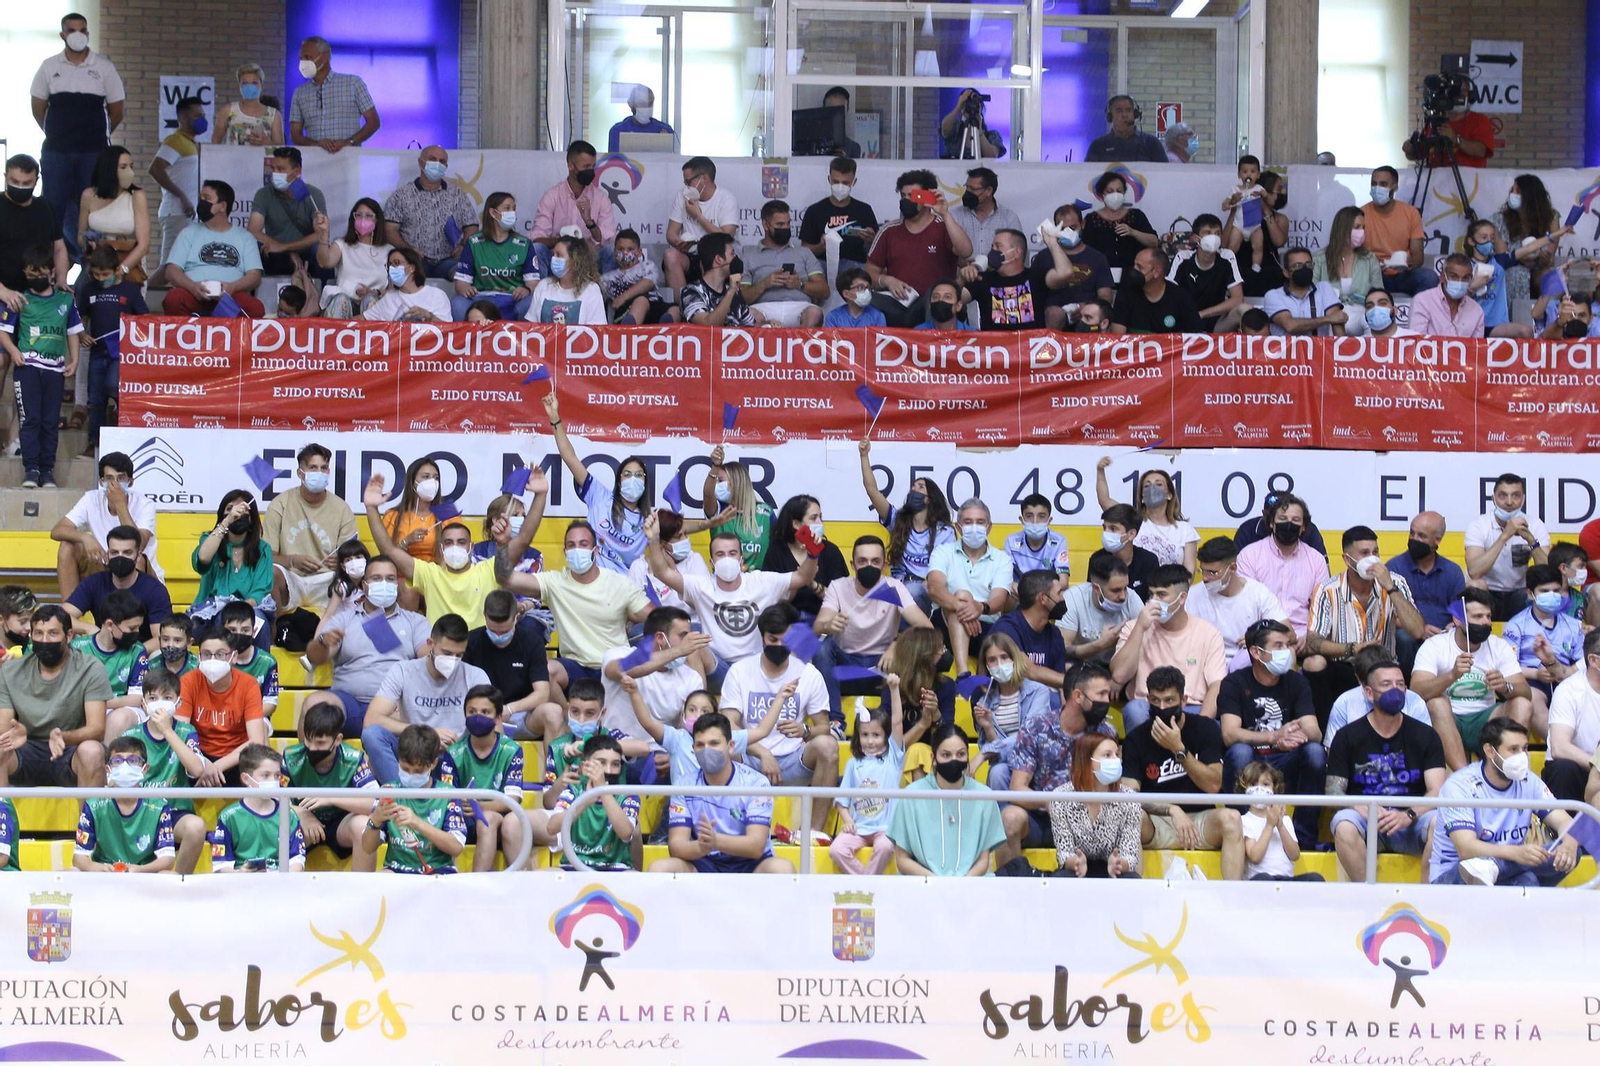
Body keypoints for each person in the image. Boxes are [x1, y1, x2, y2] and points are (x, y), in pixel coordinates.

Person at [1325, 655, 1447, 882]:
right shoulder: (1347, 736)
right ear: (1369, 693)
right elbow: (1333, 791)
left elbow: (1437, 791)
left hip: (1412, 820)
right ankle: (1369, 895)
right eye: (1386, 684)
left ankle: (1428, 896)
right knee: (1344, 824)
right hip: (1366, 820)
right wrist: (1359, 806)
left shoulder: (1426, 735)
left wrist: (1408, 815)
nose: (1395, 690)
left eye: (1400, 684)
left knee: (1440, 822)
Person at [720, 604, 838, 838]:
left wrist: (805, 730)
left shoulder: (809, 674)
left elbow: (824, 727)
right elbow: (728, 726)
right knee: (720, 746)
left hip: (794, 762)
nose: (778, 645)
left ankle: (813, 833)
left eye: (785, 640)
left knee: (828, 746)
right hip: (749, 761)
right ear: (762, 637)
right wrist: (762, 753)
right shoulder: (739, 671)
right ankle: (726, 829)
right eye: (772, 639)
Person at [1120, 668, 1244, 880]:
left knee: (1231, 818)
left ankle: (1233, 895)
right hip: (1158, 821)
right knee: (1131, 817)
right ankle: (1135, 891)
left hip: (1201, 820)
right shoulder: (1136, 739)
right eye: (1155, 700)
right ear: (1147, 700)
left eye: (1169, 700)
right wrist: (1172, 810)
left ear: (1184, 700)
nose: (1162, 707)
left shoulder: (1205, 729)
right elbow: (1129, 796)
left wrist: (1179, 749)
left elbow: (1213, 785)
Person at [503, 520, 653, 694]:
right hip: (574, 669)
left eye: (583, 544)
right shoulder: (554, 582)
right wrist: (504, 544)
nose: (577, 550)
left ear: (595, 550)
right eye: (571, 545)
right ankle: (567, 711)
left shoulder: (620, 583)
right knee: (546, 671)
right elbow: (505, 577)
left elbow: (657, 619)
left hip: (614, 668)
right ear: (565, 552)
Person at [996, 661, 1118, 869]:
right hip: (1039, 819)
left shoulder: (1106, 734)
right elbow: (1017, 789)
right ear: (1078, 696)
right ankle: (1010, 883)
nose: (1107, 701)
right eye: (1101, 694)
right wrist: (1052, 802)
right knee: (1010, 818)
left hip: (1084, 821)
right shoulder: (1036, 727)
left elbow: (1112, 790)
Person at [1431, 719, 1580, 887]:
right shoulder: (1459, 785)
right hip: (1456, 874)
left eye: (1525, 748)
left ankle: (1498, 867)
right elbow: (1466, 849)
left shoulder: (1528, 780)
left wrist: (1570, 844)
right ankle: (1499, 867)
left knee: (1573, 852)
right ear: (1490, 751)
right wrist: (1516, 853)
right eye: (1513, 749)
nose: (1522, 756)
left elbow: (1564, 820)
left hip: (1511, 867)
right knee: (1527, 880)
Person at [1218, 620, 1325, 843]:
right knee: (1239, 752)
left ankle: (1305, 839)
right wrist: (1274, 737)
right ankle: (1241, 835)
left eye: (1288, 645)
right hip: (1252, 761)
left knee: (1315, 752)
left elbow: (1315, 732)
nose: (1287, 652)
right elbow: (1229, 734)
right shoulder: (1234, 683)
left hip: (1286, 762)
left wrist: (1296, 737)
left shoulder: (1296, 682)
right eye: (1278, 646)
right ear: (1256, 652)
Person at [30, 13, 124, 262]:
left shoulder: (104, 66)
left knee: (92, 210)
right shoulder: (49, 66)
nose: (78, 35)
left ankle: (92, 268)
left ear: (88, 34)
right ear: (63, 35)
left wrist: (97, 137)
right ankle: (46, 268)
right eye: (72, 30)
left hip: (93, 151)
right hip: (56, 152)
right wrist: (56, 133)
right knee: (52, 209)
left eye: (82, 30)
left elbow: (117, 110)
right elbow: (38, 108)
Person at [1305, 525, 1426, 715]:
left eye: (1375, 552)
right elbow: (1313, 641)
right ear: (1347, 559)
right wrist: (1353, 649)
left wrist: (1391, 588)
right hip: (1345, 665)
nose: (1372, 558)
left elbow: (1417, 631)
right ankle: (1324, 727)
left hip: (1384, 666)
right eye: (1364, 553)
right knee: (1314, 663)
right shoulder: (1327, 589)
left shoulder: (1395, 581)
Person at [309, 555, 430, 738]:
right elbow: (316, 658)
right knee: (313, 704)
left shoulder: (415, 621)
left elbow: (428, 659)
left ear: (397, 584)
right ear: (364, 586)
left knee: (412, 715)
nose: (384, 583)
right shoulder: (344, 619)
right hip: (348, 704)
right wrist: (322, 643)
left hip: (392, 706)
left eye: (390, 578)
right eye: (376, 578)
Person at [1411, 588, 1531, 771]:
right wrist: (1451, 676)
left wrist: (1505, 686)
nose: (1486, 622)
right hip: (1449, 719)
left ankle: (1505, 770)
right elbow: (1416, 691)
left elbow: (1526, 692)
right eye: (1478, 616)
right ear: (1458, 620)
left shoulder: (1498, 646)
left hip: (1486, 719)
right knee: (1436, 703)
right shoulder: (1434, 645)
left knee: (1523, 704)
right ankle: (1465, 776)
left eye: (1488, 616)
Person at [362, 614, 490, 785]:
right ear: (430, 644)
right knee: (372, 735)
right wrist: (429, 734)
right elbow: (371, 720)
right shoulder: (403, 671)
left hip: (456, 757)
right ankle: (401, 795)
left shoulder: (475, 676)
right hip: (413, 754)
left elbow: (494, 726)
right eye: (447, 653)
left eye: (459, 655)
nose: (452, 661)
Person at [812, 537, 931, 717]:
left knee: (910, 650)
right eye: (862, 561)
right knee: (822, 647)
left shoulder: (894, 587)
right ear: (853, 565)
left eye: (875, 561)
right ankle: (834, 721)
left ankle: (888, 720)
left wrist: (897, 644)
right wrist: (828, 625)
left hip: (883, 662)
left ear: (885, 565)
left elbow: (926, 627)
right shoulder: (839, 586)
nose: (869, 566)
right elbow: (817, 627)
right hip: (847, 659)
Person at [0, 605, 110, 786]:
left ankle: (89, 807)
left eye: (52, 633)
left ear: (69, 635)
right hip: (25, 749)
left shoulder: (91, 668)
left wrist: (63, 737)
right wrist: (15, 734)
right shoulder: (11, 671)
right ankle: (2, 806)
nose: (44, 640)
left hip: (70, 751)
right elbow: (4, 729)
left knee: (92, 751)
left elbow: (97, 730)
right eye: (38, 633)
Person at [1111, 564, 1227, 732]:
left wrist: (1200, 725)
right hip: (1149, 706)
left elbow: (1216, 685)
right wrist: (1140, 628)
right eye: (1151, 594)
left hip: (1191, 707)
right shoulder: (1134, 628)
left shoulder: (1209, 633)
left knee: (1212, 726)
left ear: (1182, 598)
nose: (1154, 601)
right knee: (1134, 710)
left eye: (1161, 595)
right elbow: (1119, 675)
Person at [1, 245, 80, 489]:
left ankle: (47, 471)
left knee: (50, 422)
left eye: (40, 273)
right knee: (30, 419)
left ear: (52, 272)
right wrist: (14, 351)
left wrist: (75, 359)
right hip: (28, 369)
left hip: (55, 371)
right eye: (30, 274)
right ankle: (31, 470)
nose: (36, 278)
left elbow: (73, 331)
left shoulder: (66, 300)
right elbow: (3, 331)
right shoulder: (19, 300)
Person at [117, 666, 207, 873]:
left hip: (175, 812)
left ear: (178, 702)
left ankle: (178, 880)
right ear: (143, 703)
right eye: (153, 698)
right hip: (141, 812)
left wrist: (167, 731)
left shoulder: (187, 731)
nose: (159, 704)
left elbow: (197, 770)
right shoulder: (131, 735)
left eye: (167, 698)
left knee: (196, 827)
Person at [889, 723, 1006, 876]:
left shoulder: (985, 796)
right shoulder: (911, 795)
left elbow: (983, 860)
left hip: (970, 884)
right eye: (946, 755)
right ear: (933, 758)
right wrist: (935, 883)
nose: (954, 760)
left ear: (968, 756)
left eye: (961, 754)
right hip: (923, 884)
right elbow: (902, 859)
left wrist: (961, 884)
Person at [262, 444, 358, 629]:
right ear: (300, 473)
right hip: (292, 579)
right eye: (313, 467)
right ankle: (276, 635)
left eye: (324, 468)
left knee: (357, 576)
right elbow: (266, 556)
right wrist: (292, 561)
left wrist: (341, 561)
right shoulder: (280, 504)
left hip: (328, 580)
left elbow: (352, 554)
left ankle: (345, 640)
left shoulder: (342, 509)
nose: (319, 473)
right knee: (270, 573)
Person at [281, 697, 379, 871]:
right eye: (308, 740)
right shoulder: (290, 758)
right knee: (277, 825)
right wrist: (300, 814)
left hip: (340, 824)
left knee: (363, 826)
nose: (312, 748)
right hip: (302, 824)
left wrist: (331, 798)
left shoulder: (353, 760)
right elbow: (272, 800)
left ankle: (364, 887)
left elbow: (375, 803)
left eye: (320, 743)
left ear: (338, 739)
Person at [865, 170, 972, 327]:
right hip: (899, 303)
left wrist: (945, 214)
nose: (906, 200)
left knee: (933, 295)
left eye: (912, 196)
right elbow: (869, 272)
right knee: (866, 299)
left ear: (928, 197)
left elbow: (966, 251)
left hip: (934, 305)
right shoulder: (889, 231)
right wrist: (887, 281)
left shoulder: (944, 226)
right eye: (903, 196)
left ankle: (929, 341)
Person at [857, 441, 955, 611]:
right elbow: (872, 491)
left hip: (929, 592)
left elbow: (945, 572)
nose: (913, 490)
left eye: (920, 487)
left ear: (929, 499)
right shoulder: (898, 520)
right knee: (867, 595)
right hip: (898, 588)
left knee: (913, 591)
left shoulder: (944, 531)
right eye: (912, 487)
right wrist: (864, 456)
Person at [362, 725, 468, 875]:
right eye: (405, 769)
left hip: (437, 871)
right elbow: (367, 848)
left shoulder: (448, 794)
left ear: (433, 764)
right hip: (396, 870)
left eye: (418, 771)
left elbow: (456, 847)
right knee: (379, 880)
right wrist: (375, 820)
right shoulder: (388, 791)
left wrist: (417, 823)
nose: (411, 775)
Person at [831, 677, 911, 875]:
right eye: (865, 735)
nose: (870, 741)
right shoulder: (853, 764)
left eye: (876, 735)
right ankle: (867, 881)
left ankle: (867, 883)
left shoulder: (893, 757)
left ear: (886, 735)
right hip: (858, 829)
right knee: (836, 849)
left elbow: (897, 722)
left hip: (886, 829)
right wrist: (847, 820)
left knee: (885, 846)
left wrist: (894, 689)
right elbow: (842, 801)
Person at [927, 498, 1013, 676]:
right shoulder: (942, 552)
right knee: (962, 595)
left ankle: (969, 680)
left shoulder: (1002, 559)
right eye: (968, 522)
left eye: (980, 522)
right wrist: (963, 607)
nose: (974, 527)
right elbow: (934, 588)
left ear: (989, 527)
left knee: (962, 596)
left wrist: (979, 608)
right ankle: (963, 674)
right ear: (958, 527)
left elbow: (999, 599)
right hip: (944, 627)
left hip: (986, 626)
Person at [445, 685, 527, 871]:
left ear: (498, 718)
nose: (477, 717)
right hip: (461, 819)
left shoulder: (512, 750)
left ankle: (478, 882)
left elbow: (512, 800)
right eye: (472, 711)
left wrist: (480, 807)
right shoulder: (453, 753)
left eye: (485, 712)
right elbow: (447, 797)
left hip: (500, 821)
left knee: (487, 819)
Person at [970, 632, 1059, 798]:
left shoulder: (1038, 692)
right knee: (997, 772)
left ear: (1015, 659)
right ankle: (1003, 814)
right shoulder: (984, 702)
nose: (999, 664)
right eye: (992, 660)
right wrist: (988, 728)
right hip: (1006, 763)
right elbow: (995, 757)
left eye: (1004, 657)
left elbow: (1030, 737)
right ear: (986, 665)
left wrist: (985, 753)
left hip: (1036, 762)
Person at [74, 245, 146, 453]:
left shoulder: (130, 290)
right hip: (97, 351)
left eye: (104, 274)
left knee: (113, 386)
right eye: (96, 274)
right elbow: (80, 317)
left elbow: (144, 319)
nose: (100, 278)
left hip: (122, 354)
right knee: (95, 399)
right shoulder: (89, 289)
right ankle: (94, 442)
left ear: (116, 270)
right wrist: (82, 335)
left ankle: (120, 435)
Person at [160, 179, 265, 317]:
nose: (201, 202)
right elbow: (171, 270)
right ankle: (195, 328)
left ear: (222, 206)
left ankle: (217, 324)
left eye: (207, 198)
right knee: (174, 299)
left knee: (255, 308)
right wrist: (192, 287)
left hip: (229, 298)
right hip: (193, 295)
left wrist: (233, 287)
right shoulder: (188, 233)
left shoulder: (245, 237)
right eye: (201, 198)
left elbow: (255, 276)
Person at [176, 628, 268, 785]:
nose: (212, 660)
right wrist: (202, 764)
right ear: (199, 657)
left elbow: (256, 740)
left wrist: (215, 768)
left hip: (237, 756)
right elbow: (181, 732)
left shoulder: (248, 684)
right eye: (206, 654)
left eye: (220, 654)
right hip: (198, 756)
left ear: (234, 656)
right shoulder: (188, 682)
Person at [1502, 564, 1584, 739]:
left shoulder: (1573, 625)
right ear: (1530, 594)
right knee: (1533, 700)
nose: (1552, 595)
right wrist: (1536, 674)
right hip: (1532, 680)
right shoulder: (1516, 625)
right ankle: (1559, 743)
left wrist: (1561, 672)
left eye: (1556, 590)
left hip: (1566, 679)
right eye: (1545, 591)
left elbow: (1580, 664)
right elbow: (1508, 667)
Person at [1236, 495, 1329, 647]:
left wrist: (1311, 636)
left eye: (1295, 520)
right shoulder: (1249, 555)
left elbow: (1323, 608)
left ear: (1303, 527)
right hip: (1262, 636)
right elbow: (1246, 606)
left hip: (1303, 638)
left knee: (1317, 660)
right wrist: (1261, 637)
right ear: (1272, 523)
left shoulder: (1316, 560)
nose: (1289, 524)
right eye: (1282, 518)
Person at [465, 591, 558, 741]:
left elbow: (542, 693)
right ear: (485, 616)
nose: (499, 636)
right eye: (493, 631)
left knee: (553, 713)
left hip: (520, 714)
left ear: (516, 617)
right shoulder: (471, 642)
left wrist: (510, 709)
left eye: (504, 632)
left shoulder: (532, 642)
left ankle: (553, 758)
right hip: (481, 716)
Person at [72, 737, 174, 873]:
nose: (125, 766)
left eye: (133, 760)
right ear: (108, 769)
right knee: (69, 873)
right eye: (117, 761)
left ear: (145, 769)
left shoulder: (159, 806)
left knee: (169, 875)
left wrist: (140, 869)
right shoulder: (93, 805)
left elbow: (167, 860)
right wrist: (99, 868)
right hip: (105, 873)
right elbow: (79, 857)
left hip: (144, 874)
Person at [1049, 732, 1142, 879]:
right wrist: (1076, 863)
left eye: (1117, 755)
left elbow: (1130, 854)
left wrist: (1119, 864)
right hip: (1077, 870)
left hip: (1113, 870)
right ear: (1087, 761)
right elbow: (1064, 852)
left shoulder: (1129, 798)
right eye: (1107, 755)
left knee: (1132, 879)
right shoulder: (1061, 797)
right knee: (1061, 878)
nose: (1116, 760)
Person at [1384, 511, 1466, 673]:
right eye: (1412, 533)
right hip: (1408, 635)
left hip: (1443, 635)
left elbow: (1460, 612)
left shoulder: (1452, 571)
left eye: (1421, 536)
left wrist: (1452, 626)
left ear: (1437, 540)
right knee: (1404, 638)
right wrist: (1420, 629)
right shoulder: (1393, 568)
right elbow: (1386, 614)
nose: (1414, 539)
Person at [383, 147, 478, 279]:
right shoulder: (401, 196)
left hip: (449, 260)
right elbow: (389, 230)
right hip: (414, 261)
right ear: (421, 162)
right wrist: (408, 250)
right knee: (407, 275)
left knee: (464, 274)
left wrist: (463, 246)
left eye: (442, 161)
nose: (437, 164)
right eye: (432, 159)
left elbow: (472, 226)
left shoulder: (457, 195)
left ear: (446, 166)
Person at [1464, 473, 1550, 621]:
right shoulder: (1479, 525)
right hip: (1487, 591)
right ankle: (1477, 632)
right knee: (1475, 585)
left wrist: (1531, 540)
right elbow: (1474, 572)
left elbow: (1548, 573)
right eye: (1503, 496)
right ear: (1493, 499)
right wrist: (1504, 536)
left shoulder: (1535, 525)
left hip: (1520, 592)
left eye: (1515, 496)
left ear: (1523, 499)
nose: (1509, 502)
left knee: (1543, 589)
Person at [209, 744, 307, 873]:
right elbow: (220, 865)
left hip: (280, 881)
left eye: (276, 776)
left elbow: (297, 860)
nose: (273, 781)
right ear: (246, 779)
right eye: (265, 775)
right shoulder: (228, 817)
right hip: (241, 882)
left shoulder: (289, 814)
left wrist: (283, 879)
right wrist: (240, 874)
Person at [1188, 537, 1288, 662]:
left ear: (1232, 568)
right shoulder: (1193, 595)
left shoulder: (1258, 593)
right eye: (1202, 571)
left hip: (1246, 660)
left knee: (1287, 653)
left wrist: (1257, 638)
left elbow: (1287, 632)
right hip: (1206, 659)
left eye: (1212, 573)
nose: (1205, 578)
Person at [549, 732, 638, 871]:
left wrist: (602, 791)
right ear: (585, 767)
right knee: (538, 878)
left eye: (615, 764)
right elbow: (552, 828)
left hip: (615, 869)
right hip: (573, 867)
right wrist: (586, 801)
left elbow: (626, 833)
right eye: (601, 763)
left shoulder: (628, 795)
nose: (608, 770)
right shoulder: (573, 791)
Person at [190, 491, 273, 636]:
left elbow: (260, 591)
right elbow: (203, 559)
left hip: (249, 609)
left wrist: (239, 612)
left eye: (243, 509)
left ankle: (260, 653)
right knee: (222, 620)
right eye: (230, 509)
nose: (236, 513)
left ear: (252, 518)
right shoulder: (210, 540)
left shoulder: (263, 549)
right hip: (212, 609)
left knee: (259, 621)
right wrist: (227, 522)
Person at [964, 227, 1075, 331]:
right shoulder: (983, 279)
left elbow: (1065, 272)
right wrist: (963, 277)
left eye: (998, 246)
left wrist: (1052, 243)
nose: (993, 250)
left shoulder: (1036, 277)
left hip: (1031, 344)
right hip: (994, 345)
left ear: (1016, 252)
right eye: (992, 246)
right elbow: (958, 300)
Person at [1095, 459, 1198, 570]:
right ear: (1142, 497)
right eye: (1147, 486)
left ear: (1169, 495)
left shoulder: (1185, 529)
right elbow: (1104, 500)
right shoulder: (1132, 519)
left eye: (1159, 484)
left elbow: (1189, 571)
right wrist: (1100, 470)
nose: (1152, 488)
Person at [451, 191, 538, 320]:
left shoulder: (524, 244)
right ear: (493, 213)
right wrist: (466, 289)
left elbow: (533, 284)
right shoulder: (474, 243)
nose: (512, 213)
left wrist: (526, 290)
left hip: (511, 301)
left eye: (514, 208)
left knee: (531, 301)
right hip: (481, 301)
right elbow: (461, 283)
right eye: (507, 208)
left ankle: (517, 334)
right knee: (457, 303)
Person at [0, 155, 69, 318]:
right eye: (15, 181)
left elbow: (59, 248)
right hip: (4, 295)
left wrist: (61, 280)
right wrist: (3, 291)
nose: (20, 187)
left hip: (39, 296)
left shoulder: (44, 207)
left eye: (26, 183)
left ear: (36, 181)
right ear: (5, 177)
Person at [740, 200, 827, 327]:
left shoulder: (804, 252)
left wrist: (799, 284)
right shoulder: (748, 255)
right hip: (763, 308)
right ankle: (767, 327)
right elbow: (741, 298)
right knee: (748, 315)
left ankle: (802, 341)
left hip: (800, 307)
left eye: (788, 223)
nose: (785, 228)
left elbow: (824, 291)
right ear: (765, 225)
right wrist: (765, 284)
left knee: (814, 313)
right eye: (780, 224)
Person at [69, 589, 147, 729]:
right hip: (84, 707)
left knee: (119, 719)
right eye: (132, 628)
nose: (137, 633)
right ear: (110, 625)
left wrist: (100, 704)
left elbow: (137, 698)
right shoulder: (77, 648)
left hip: (122, 708)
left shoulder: (137, 650)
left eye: (138, 627)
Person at [248, 146, 329, 279]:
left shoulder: (313, 194)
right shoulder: (264, 194)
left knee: (320, 250)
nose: (275, 173)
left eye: (280, 169)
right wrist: (285, 250)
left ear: (297, 172)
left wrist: (285, 247)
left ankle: (324, 290)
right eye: (273, 168)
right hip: (276, 250)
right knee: (256, 247)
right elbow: (253, 230)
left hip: (304, 249)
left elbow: (319, 234)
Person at [762, 494, 847, 620]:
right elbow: (772, 599)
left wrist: (813, 585)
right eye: (813, 518)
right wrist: (799, 580)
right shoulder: (776, 551)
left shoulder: (830, 551)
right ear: (796, 524)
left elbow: (841, 599)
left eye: (820, 517)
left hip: (823, 619)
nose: (820, 523)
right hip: (788, 621)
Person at [289, 35, 380, 150]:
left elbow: (373, 122)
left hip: (348, 158)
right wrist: (316, 145)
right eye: (301, 58)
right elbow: (295, 135)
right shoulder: (299, 93)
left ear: (324, 57)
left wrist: (348, 143)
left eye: (308, 57)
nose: (303, 63)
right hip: (314, 159)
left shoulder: (353, 83)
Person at [75, 145, 148, 289]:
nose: (130, 172)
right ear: (109, 169)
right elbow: (80, 235)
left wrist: (121, 271)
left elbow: (144, 244)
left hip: (128, 262)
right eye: (123, 167)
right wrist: (88, 243)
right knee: (82, 295)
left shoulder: (137, 196)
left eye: (131, 166)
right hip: (98, 266)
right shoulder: (89, 195)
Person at [665, 157, 740, 295]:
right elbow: (671, 233)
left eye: (689, 182)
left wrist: (698, 216)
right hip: (690, 254)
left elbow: (726, 237)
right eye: (685, 183)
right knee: (670, 255)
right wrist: (679, 242)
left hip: (717, 255)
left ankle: (711, 303)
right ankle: (683, 303)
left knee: (710, 259)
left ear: (704, 179)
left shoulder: (726, 199)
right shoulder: (682, 196)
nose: (686, 187)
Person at [1238, 761, 1322, 881]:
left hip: (1286, 880)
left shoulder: (1285, 819)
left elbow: (1294, 855)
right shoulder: (1244, 821)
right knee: (1263, 879)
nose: (1259, 789)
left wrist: (1280, 825)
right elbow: (1255, 857)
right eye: (1253, 784)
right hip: (1261, 879)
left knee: (1315, 878)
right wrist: (1269, 826)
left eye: (1265, 784)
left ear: (1274, 789)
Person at [1035, 204, 1115, 329]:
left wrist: (1087, 307)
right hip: (1052, 319)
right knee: (1055, 314)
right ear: (1055, 229)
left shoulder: (1097, 258)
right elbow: (1035, 295)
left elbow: (1105, 296)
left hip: (1088, 318)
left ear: (1082, 224)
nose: (1068, 232)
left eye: (1073, 227)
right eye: (1063, 229)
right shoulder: (1043, 257)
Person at [1543, 630, 1600, 801]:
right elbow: (1560, 747)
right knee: (1564, 769)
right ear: (1594, 660)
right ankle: (1564, 819)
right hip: (1579, 769)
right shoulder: (1569, 691)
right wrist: (1597, 766)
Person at [799, 156, 878, 280]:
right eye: (836, 182)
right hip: (822, 264)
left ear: (854, 182)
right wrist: (821, 247)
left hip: (855, 265)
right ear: (829, 180)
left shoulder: (864, 210)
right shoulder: (814, 211)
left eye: (845, 183)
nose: (840, 186)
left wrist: (870, 240)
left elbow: (877, 251)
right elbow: (804, 251)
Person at [1059, 551, 1143, 666]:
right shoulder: (1073, 598)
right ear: (1096, 588)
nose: (1123, 596)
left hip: (1118, 666)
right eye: (1116, 590)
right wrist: (1100, 645)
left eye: (1125, 588)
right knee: (1066, 666)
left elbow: (1147, 641)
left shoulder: (1132, 598)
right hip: (1082, 666)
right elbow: (1063, 649)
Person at [312, 197, 392, 317]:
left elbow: (394, 291)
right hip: (344, 303)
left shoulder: (389, 250)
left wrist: (373, 292)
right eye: (358, 215)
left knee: (370, 300)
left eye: (369, 216)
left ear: (377, 220)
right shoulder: (342, 244)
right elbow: (324, 262)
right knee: (341, 300)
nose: (363, 219)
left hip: (373, 304)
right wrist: (324, 234)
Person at [990, 570, 1068, 690]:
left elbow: (1060, 682)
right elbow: (1029, 671)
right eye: (1059, 593)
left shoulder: (1054, 634)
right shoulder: (1006, 628)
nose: (1062, 598)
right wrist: (1075, 682)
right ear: (1043, 598)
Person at [1166, 213, 1244, 333]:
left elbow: (1238, 299)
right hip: (1187, 321)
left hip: (1217, 321)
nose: (1214, 237)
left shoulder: (1227, 256)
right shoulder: (1183, 257)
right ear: (1195, 238)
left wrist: (1201, 314)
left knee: (1244, 309)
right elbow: (1169, 294)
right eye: (1208, 233)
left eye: (1217, 233)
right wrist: (1188, 315)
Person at [1364, 167, 1436, 295]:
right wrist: (1372, 266)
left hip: (1402, 275)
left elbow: (1418, 258)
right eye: (1374, 184)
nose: (1377, 188)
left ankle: (1419, 308)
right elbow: (1353, 254)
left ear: (1395, 187)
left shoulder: (1411, 213)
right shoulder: (1361, 213)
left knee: (1429, 277)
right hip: (1372, 275)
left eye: (1383, 184)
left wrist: (1407, 263)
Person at [701, 444, 776, 568]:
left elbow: (780, 547)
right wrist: (715, 466)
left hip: (758, 579)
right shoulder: (719, 510)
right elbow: (708, 495)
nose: (716, 485)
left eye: (720, 481)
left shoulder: (765, 513)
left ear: (737, 483)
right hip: (723, 578)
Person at [1493, 175, 1564, 303]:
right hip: (1512, 266)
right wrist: (1521, 257)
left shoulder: (1551, 217)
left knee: (1552, 278)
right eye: (1512, 190)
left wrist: (1544, 259)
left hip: (1538, 267)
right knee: (1516, 273)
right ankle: (1517, 313)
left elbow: (1550, 256)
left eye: (1518, 192)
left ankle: (1551, 313)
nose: (1513, 195)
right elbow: (1502, 258)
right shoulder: (1500, 219)